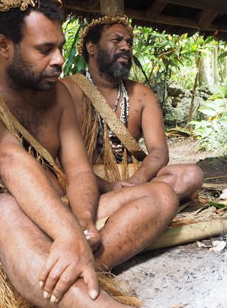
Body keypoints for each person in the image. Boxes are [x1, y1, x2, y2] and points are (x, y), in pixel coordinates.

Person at [0, 0, 184, 308]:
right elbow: (9, 159)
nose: (58, 61)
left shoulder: (57, 96)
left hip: (65, 211)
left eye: (60, 47)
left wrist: (83, 224)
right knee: (5, 207)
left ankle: (45, 282)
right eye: (44, 49)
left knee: (162, 195)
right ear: (4, 46)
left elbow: (80, 170)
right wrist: (69, 236)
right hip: (10, 216)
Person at [61, 15, 203, 198]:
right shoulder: (66, 90)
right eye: (116, 40)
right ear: (91, 48)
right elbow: (59, 159)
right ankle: (138, 203)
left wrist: (137, 181)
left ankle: (124, 202)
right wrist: (107, 187)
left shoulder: (142, 95)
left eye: (129, 42)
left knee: (191, 175)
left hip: (133, 181)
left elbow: (159, 151)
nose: (126, 46)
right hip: (86, 181)